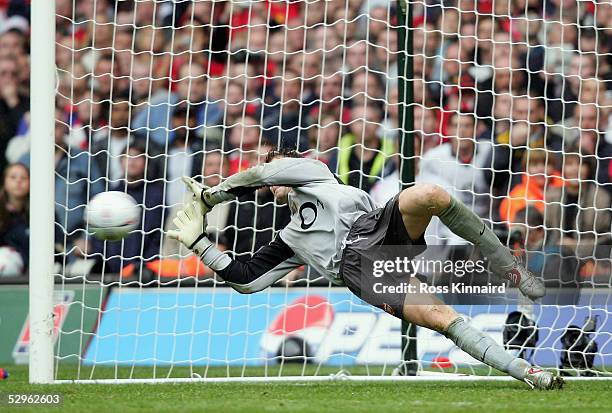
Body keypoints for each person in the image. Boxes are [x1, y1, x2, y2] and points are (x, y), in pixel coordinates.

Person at [168, 150, 563, 390]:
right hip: (362, 273)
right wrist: (199, 243)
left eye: (276, 167)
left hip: (376, 230)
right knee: (443, 317)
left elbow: (262, 175)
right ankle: (529, 372)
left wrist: (212, 194)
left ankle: (507, 266)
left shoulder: (315, 174)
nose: (271, 179)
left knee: (431, 194)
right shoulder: (289, 238)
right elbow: (247, 280)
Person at [0, 163, 29, 265]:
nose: (18, 181)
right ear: (4, 182)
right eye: (13, 177)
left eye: (23, 178)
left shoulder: (41, 212)